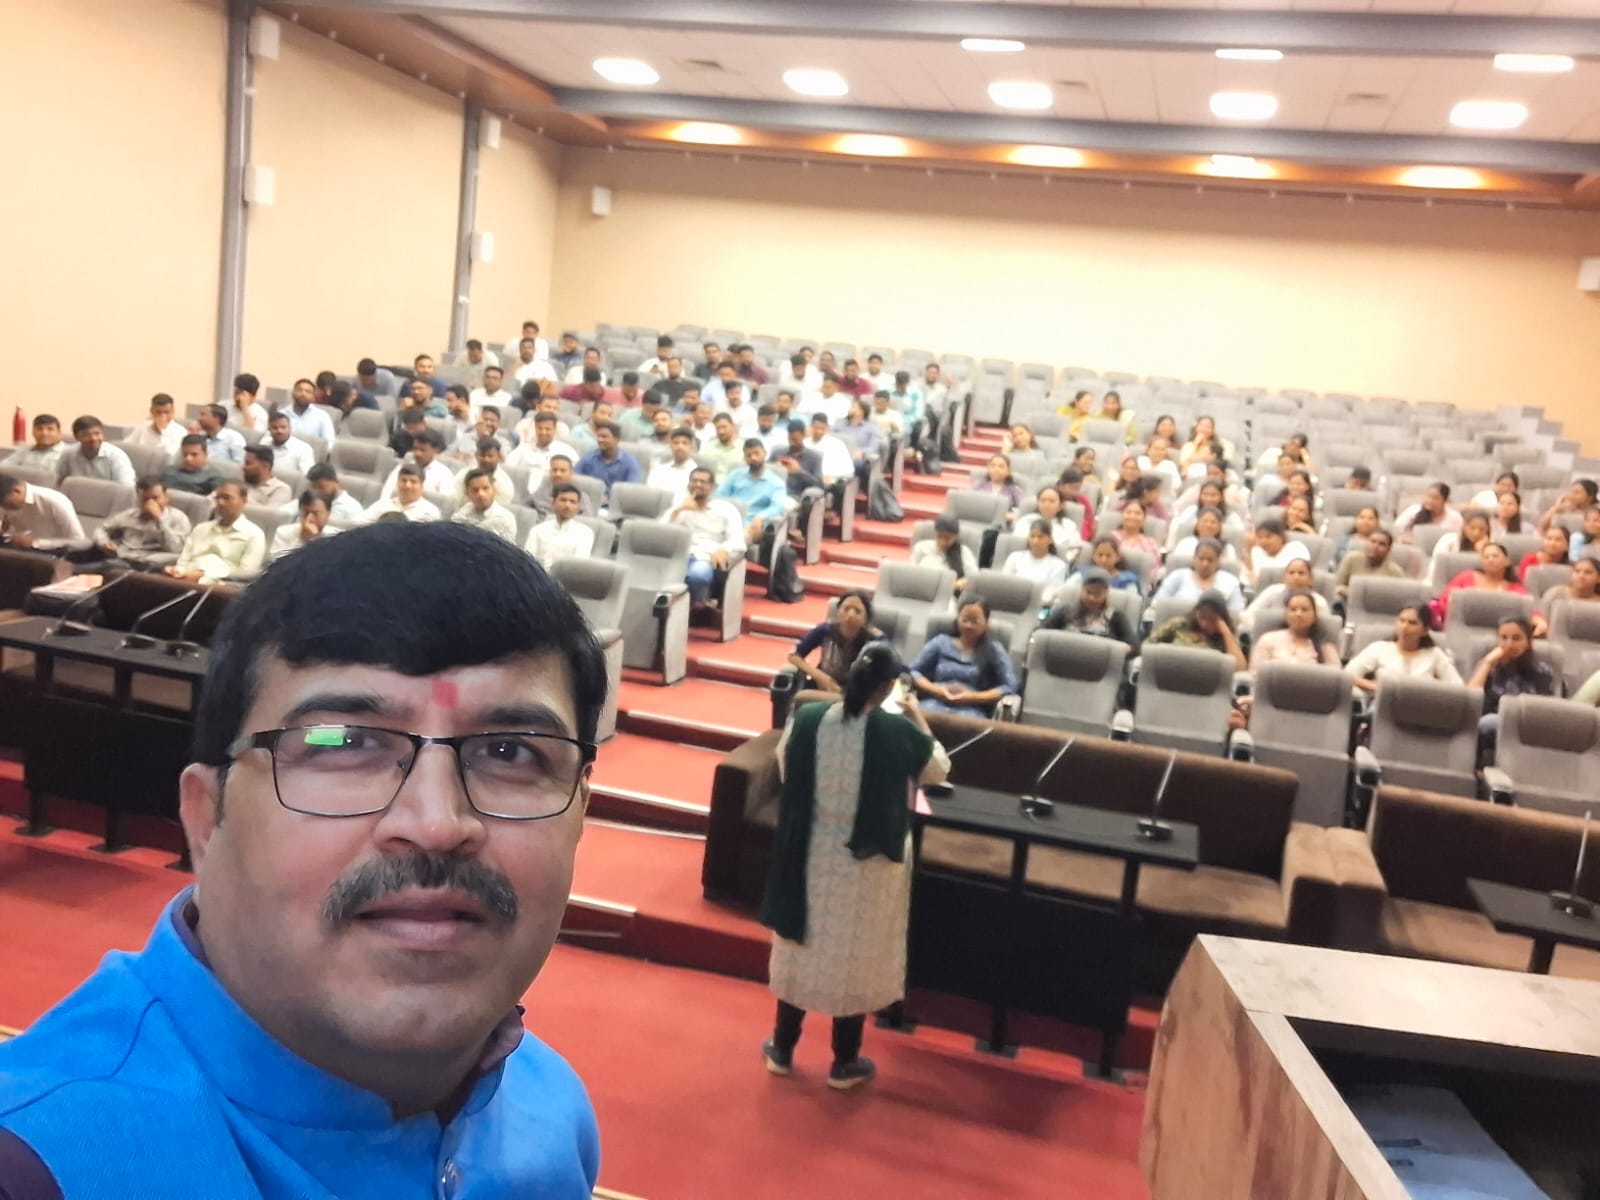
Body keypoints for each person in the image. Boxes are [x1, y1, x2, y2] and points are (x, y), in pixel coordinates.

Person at [0, 521, 608, 1195]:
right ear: (205, 818)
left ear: (579, 816)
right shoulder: (34, 1166)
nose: (437, 824)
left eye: (510, 752)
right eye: (342, 743)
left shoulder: (551, 1112)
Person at [760, 643, 949, 1090]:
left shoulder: (809, 718)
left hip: (809, 852)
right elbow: (939, 769)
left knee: (801, 944)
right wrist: (917, 715)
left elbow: (785, 763)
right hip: (866, 864)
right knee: (854, 955)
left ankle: (782, 1048)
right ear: (888, 687)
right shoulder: (897, 731)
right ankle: (844, 1062)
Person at [909, 596, 1020, 717]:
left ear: (986, 623)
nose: (968, 625)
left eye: (975, 621)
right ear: (957, 619)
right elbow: (913, 671)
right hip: (934, 703)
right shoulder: (941, 642)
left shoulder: (994, 650)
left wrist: (973, 697)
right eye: (964, 620)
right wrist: (937, 690)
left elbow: (1010, 686)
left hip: (971, 710)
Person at [1468, 616, 1558, 756]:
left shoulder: (1542, 672)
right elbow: (1469, 701)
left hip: (1525, 728)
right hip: (1485, 729)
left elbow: (1544, 712)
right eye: (1504, 638)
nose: (1509, 644)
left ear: (1529, 642)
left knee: (1488, 723)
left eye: (1516, 638)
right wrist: (1487, 664)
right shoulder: (1489, 665)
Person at [670, 468, 745, 607]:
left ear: (712, 487)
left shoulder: (726, 509)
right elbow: (661, 533)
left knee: (697, 576)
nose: (698, 484)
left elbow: (738, 540)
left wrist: (724, 549)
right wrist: (679, 510)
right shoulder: (679, 506)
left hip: (704, 557)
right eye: (694, 481)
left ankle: (687, 610)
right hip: (678, 557)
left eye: (703, 482)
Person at [786, 589, 886, 693]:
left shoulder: (876, 639)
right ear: (838, 611)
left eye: (857, 611)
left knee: (803, 697)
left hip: (857, 694)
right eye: (846, 609)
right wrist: (820, 676)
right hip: (823, 686)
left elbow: (891, 671)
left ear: (866, 618)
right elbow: (794, 655)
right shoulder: (825, 630)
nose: (850, 615)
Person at [165, 481, 266, 583]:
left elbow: (245, 575)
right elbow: (183, 562)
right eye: (217, 498)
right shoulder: (201, 528)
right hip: (183, 579)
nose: (220, 503)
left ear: (243, 501)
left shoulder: (254, 534)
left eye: (227, 498)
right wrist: (177, 570)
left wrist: (203, 575)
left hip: (220, 585)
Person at [1347, 605, 1462, 693]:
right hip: (1384, 707)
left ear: (1425, 630)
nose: (1404, 627)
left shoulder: (1434, 654)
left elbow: (1458, 687)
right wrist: (1376, 687)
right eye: (1401, 620)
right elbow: (1347, 675)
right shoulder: (1379, 648)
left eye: (1412, 623)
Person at [84, 476, 191, 570]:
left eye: (155, 498)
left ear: (166, 498)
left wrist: (159, 519)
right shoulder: (130, 515)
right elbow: (102, 528)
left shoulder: (178, 518)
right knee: (83, 553)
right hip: (122, 555)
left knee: (105, 566)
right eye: (145, 499)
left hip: (149, 562)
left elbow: (177, 549)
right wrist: (104, 542)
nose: (150, 503)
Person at [1432, 542, 1530, 626]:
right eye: (1486, 557)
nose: (1490, 560)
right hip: (1462, 627)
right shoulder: (1466, 577)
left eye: (1495, 556)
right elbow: (1444, 601)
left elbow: (1529, 610)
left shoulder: (1515, 588)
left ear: (1507, 561)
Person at [1144, 591, 1248, 671]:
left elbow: (1240, 668)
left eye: (1211, 619)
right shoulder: (1181, 624)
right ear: (1196, 612)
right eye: (1202, 617)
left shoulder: (1224, 639)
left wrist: (1225, 631)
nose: (1205, 624)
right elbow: (1147, 646)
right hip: (1170, 672)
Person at [717, 439, 788, 552]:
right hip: (726, 521)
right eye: (748, 455)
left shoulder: (776, 482)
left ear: (765, 454)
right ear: (744, 458)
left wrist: (760, 517)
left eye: (756, 453)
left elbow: (778, 507)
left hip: (750, 526)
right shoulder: (735, 475)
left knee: (733, 543)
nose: (753, 458)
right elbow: (719, 497)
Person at [1041, 567, 1135, 647]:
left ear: (1106, 593)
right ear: (1081, 590)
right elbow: (1040, 633)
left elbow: (1133, 646)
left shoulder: (1116, 616)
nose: (1092, 598)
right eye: (1088, 592)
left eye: (1098, 594)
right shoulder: (1065, 611)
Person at [1154, 538, 1245, 615]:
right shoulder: (1178, 576)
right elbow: (1157, 604)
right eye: (1201, 559)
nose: (1205, 564)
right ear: (1194, 559)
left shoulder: (1229, 582)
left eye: (1210, 560)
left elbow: (1236, 614)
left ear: (1218, 562)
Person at [1250, 591, 1340, 668]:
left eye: (1304, 610)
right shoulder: (1268, 640)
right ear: (1286, 615)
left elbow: (1335, 678)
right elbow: (1256, 674)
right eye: (1293, 609)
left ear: (1314, 616)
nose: (1298, 614)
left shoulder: (1325, 649)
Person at [0, 473, 84, 553]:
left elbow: (79, 542)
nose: (5, 508)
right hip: (20, 551)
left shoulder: (56, 502)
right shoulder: (5, 502)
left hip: (53, 554)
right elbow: (6, 527)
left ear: (17, 491)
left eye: (6, 504)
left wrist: (36, 543)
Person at [525, 483, 595, 569]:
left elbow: (578, 566)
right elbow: (528, 561)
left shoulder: (585, 533)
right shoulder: (537, 530)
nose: (567, 505)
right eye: (563, 500)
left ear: (578, 507)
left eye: (572, 502)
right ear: (553, 504)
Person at [1001, 518, 1070, 605]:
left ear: (1050, 540)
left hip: (1039, 605)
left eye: (1040, 537)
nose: (1035, 541)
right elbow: (1004, 584)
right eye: (1032, 536)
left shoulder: (1058, 565)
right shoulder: (1014, 557)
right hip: (1010, 601)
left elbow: (1051, 593)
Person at [57, 416, 136, 486]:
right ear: (76, 437)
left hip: (109, 496)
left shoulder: (116, 456)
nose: (93, 438)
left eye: (97, 433)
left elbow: (126, 487)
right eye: (86, 435)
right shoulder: (68, 453)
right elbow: (58, 482)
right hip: (77, 495)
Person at [1245, 557, 1331, 620]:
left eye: (1301, 573)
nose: (1296, 577)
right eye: (1291, 573)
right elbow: (1248, 615)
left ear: (1311, 579)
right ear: (1284, 578)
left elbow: (1324, 629)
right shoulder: (1272, 591)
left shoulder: (1319, 602)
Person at [910, 514, 976, 594]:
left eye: (947, 538)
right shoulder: (921, 547)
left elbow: (973, 579)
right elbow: (911, 572)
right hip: (920, 590)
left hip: (947, 595)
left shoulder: (964, 552)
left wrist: (953, 586)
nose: (942, 542)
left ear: (956, 537)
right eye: (939, 536)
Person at [575, 422, 641, 502]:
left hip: (617, 503)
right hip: (590, 501)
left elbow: (632, 489)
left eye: (604, 437)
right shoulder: (589, 457)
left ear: (617, 439)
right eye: (598, 436)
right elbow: (575, 479)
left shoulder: (629, 462)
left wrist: (610, 498)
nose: (600, 440)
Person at [1334, 527, 1404, 600]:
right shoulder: (1352, 558)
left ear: (1389, 550)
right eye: (1372, 541)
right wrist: (1355, 594)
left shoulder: (1395, 572)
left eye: (1381, 544)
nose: (1375, 546)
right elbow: (1337, 586)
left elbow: (1398, 598)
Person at [451, 468, 518, 543]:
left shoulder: (505, 519)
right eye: (475, 490)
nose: (480, 494)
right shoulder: (463, 513)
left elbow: (506, 549)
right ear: (467, 493)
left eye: (485, 488)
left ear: (494, 490)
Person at [269, 490, 338, 561]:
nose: (310, 519)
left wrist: (315, 541)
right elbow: (276, 563)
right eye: (306, 513)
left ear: (328, 514)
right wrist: (304, 540)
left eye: (315, 513)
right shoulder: (283, 532)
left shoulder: (336, 537)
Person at [382, 430, 453, 497]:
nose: (418, 453)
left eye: (422, 450)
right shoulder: (403, 467)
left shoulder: (443, 474)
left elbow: (443, 502)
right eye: (415, 449)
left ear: (435, 451)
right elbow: (387, 492)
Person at [364, 465, 441, 523]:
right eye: (404, 481)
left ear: (422, 486)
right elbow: (359, 523)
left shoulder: (430, 512)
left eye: (413, 482)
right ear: (397, 484)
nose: (407, 486)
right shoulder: (383, 504)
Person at [1247, 517, 1310, 588]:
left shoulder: (1296, 548)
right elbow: (1251, 582)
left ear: (1281, 537)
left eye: (1268, 536)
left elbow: (1302, 575)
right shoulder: (1256, 552)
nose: (1263, 541)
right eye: (1260, 537)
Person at [452, 438, 514, 506]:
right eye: (482, 455)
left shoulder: (505, 484)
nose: (486, 459)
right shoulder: (463, 475)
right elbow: (455, 500)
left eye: (490, 456)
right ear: (476, 456)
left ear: (499, 457)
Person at [646, 427, 699, 503]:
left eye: (685, 443)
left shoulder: (697, 474)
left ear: (691, 447)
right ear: (670, 446)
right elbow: (649, 493)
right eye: (676, 443)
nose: (680, 447)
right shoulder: (659, 470)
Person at [126, 393, 187, 458]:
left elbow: (170, 455)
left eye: (166, 412)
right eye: (158, 412)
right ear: (152, 411)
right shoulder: (144, 426)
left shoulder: (180, 431)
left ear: (173, 412)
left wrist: (162, 431)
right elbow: (127, 445)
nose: (162, 416)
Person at [301, 463, 366, 524]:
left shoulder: (352, 507)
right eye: (314, 487)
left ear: (336, 482)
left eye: (321, 487)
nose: (317, 491)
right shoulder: (308, 502)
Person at [1396, 481, 1462, 541]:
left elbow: (1457, 539)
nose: (1429, 501)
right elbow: (1396, 529)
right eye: (1428, 496)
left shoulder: (1455, 517)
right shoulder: (1414, 510)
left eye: (1435, 498)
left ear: (1445, 500)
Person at [261, 409, 317, 476]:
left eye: (283, 427)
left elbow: (306, 477)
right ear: (269, 430)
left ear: (290, 428)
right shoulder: (264, 443)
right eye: (275, 428)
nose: (279, 431)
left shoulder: (304, 449)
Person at [285, 378, 338, 447]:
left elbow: (329, 442)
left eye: (308, 391)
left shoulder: (322, 416)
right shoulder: (282, 414)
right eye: (299, 390)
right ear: (293, 393)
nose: (303, 394)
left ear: (313, 396)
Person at [974, 454, 1024, 522]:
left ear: (1008, 471)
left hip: (1003, 523)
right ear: (988, 469)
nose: (996, 469)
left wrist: (1011, 515)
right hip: (980, 519)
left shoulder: (1015, 490)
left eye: (1001, 466)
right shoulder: (979, 485)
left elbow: (1023, 510)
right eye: (993, 466)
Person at [243, 444, 292, 509]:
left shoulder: (281, 489)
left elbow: (270, 514)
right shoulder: (241, 482)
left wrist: (241, 501)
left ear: (265, 466)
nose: (243, 467)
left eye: (248, 463)